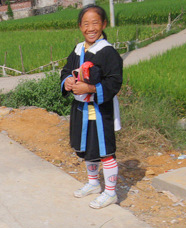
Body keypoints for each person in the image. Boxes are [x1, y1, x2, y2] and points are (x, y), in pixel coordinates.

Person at [60, 4, 123, 209]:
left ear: (104, 24)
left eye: (95, 23)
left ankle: (111, 193)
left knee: (105, 150)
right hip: (81, 109)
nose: (90, 28)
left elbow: (115, 82)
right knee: (88, 147)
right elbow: (66, 70)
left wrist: (90, 88)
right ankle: (94, 183)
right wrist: (68, 81)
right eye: (86, 24)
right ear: (80, 26)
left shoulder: (108, 52)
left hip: (100, 110)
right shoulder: (78, 49)